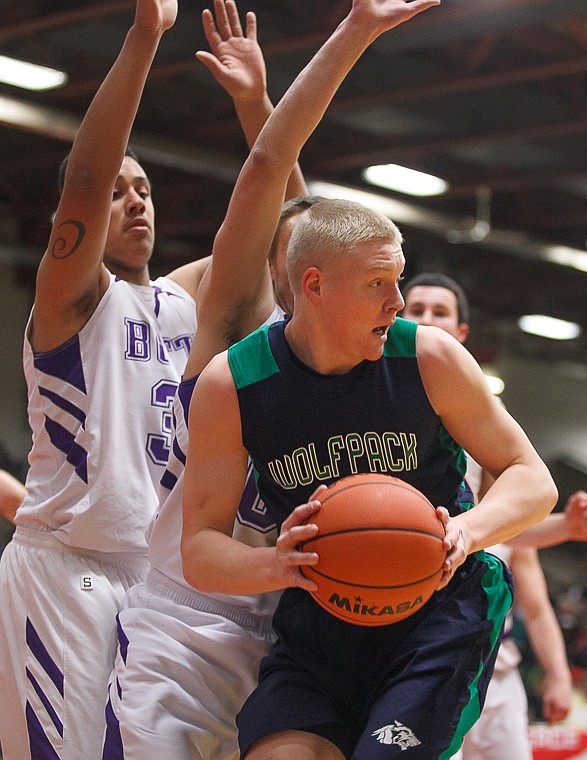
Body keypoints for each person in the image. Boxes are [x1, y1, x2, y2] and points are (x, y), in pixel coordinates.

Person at [179, 5, 559, 760]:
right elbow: (198, 546)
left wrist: (465, 530)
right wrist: (275, 565)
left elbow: (531, 479)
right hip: (320, 619)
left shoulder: (426, 356)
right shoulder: (235, 381)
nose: (397, 302)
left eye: (401, 282)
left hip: (440, 612)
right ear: (313, 286)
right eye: (379, 285)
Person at [0, 0, 296, 757]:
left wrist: (254, 104)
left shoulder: (187, 300)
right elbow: (89, 175)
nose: (134, 199)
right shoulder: (72, 301)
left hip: (162, 582)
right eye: (121, 191)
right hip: (69, 571)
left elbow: (294, 235)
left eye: (147, 190)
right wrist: (143, 38)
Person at [102, 2, 326, 757]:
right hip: (154, 584)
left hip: (279, 628)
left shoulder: (334, 359)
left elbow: (293, 220)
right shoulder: (206, 322)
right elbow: (273, 200)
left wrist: (254, 103)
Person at [401, 271, 587, 760]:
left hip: (493, 663)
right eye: (417, 310)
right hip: (416, 653)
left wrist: (566, 526)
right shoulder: (377, 402)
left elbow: (512, 537)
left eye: (440, 312)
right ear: (397, 319)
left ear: (463, 333)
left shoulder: (481, 419)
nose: (427, 320)